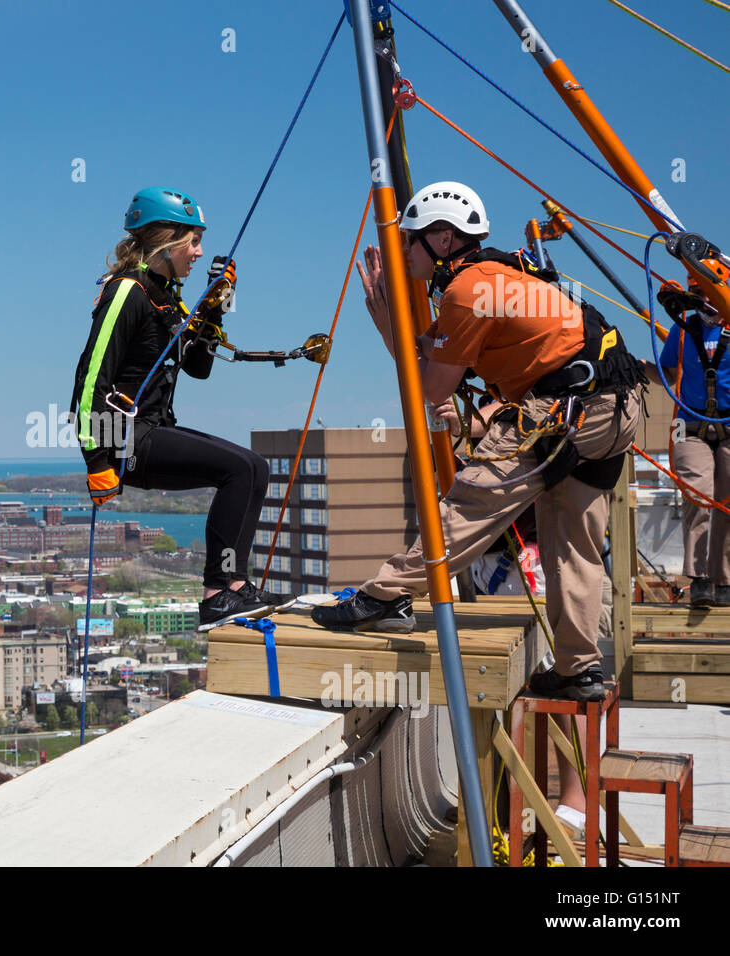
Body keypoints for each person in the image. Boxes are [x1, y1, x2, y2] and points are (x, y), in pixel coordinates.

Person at [311, 181, 647, 702]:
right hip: (612, 406)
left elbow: (431, 387)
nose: (404, 251)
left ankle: (385, 596)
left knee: (472, 501)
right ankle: (578, 669)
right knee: (571, 535)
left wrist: (389, 331)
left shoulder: (467, 288)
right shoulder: (503, 275)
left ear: (444, 238)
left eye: (412, 240)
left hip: (567, 407)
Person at [69, 187, 296, 631]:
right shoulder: (127, 292)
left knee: (254, 468)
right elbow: (90, 380)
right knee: (243, 470)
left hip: (149, 430)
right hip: (127, 438)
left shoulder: (165, 297)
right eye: (192, 241)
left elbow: (198, 367)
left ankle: (231, 588)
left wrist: (214, 307)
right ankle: (219, 592)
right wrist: (96, 460)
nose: (199, 251)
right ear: (165, 242)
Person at [652, 281, 730, 607]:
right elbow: (668, 373)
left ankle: (724, 580)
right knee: (698, 496)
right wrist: (634, 369)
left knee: (726, 504)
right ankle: (698, 579)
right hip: (687, 426)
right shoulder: (682, 330)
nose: (704, 300)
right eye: (699, 295)